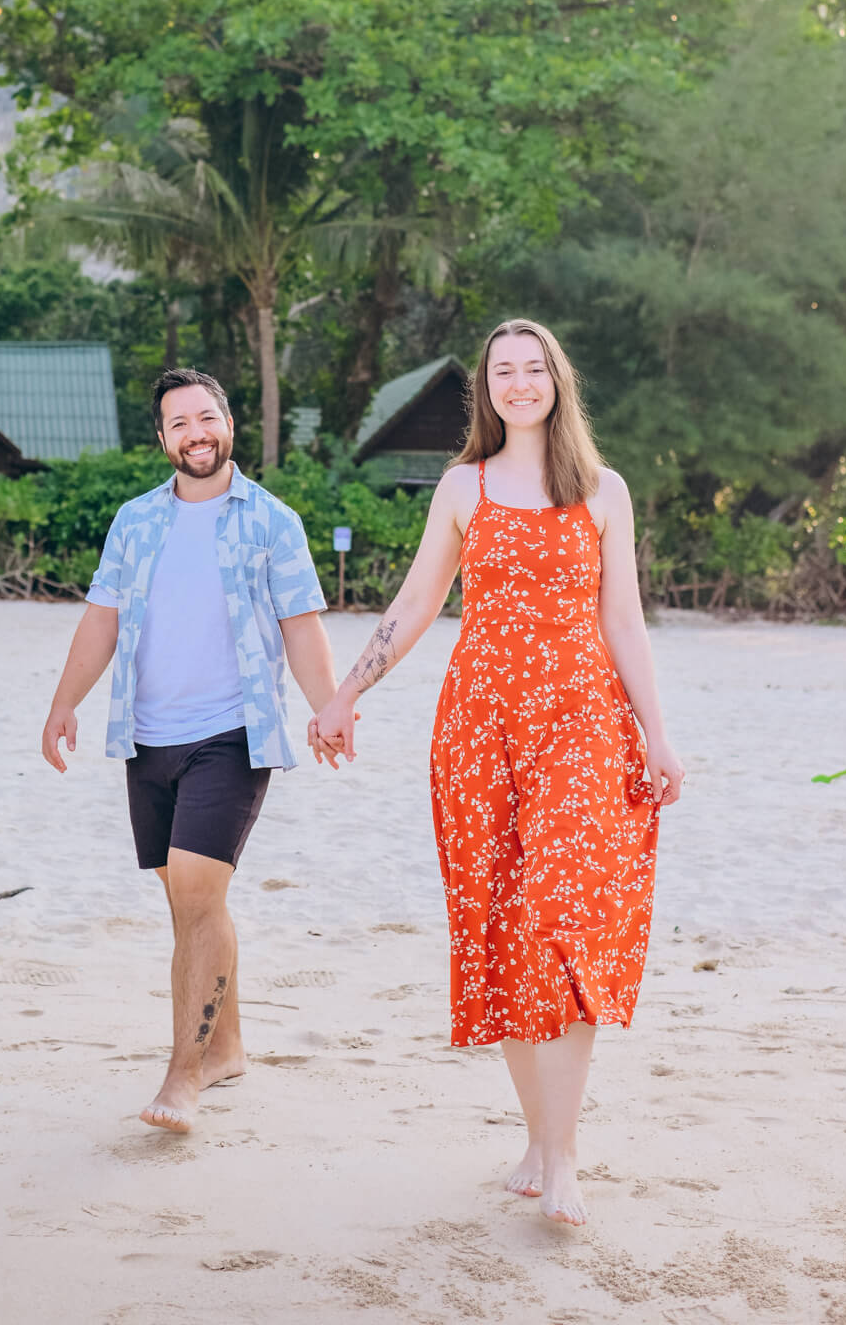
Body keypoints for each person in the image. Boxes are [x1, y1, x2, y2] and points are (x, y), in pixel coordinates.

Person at [310, 319, 683, 1225]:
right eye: (502, 372)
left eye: (534, 369)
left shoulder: (603, 492)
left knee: (566, 925)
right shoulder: (461, 488)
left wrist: (658, 737)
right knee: (500, 932)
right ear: (487, 389)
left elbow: (624, 624)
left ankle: (563, 1160)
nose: (519, 383)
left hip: (583, 731)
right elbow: (412, 605)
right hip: (479, 737)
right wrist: (343, 693)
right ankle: (538, 1137)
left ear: (558, 381)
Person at [41, 367, 339, 1134]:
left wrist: (329, 707)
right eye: (179, 424)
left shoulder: (271, 520)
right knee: (188, 905)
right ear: (162, 438)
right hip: (148, 737)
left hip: (233, 734)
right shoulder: (135, 521)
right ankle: (228, 1045)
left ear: (228, 423)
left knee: (200, 894)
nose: (195, 433)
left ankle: (183, 1077)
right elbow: (101, 618)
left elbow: (301, 625)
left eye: (206, 418)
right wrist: (62, 703)